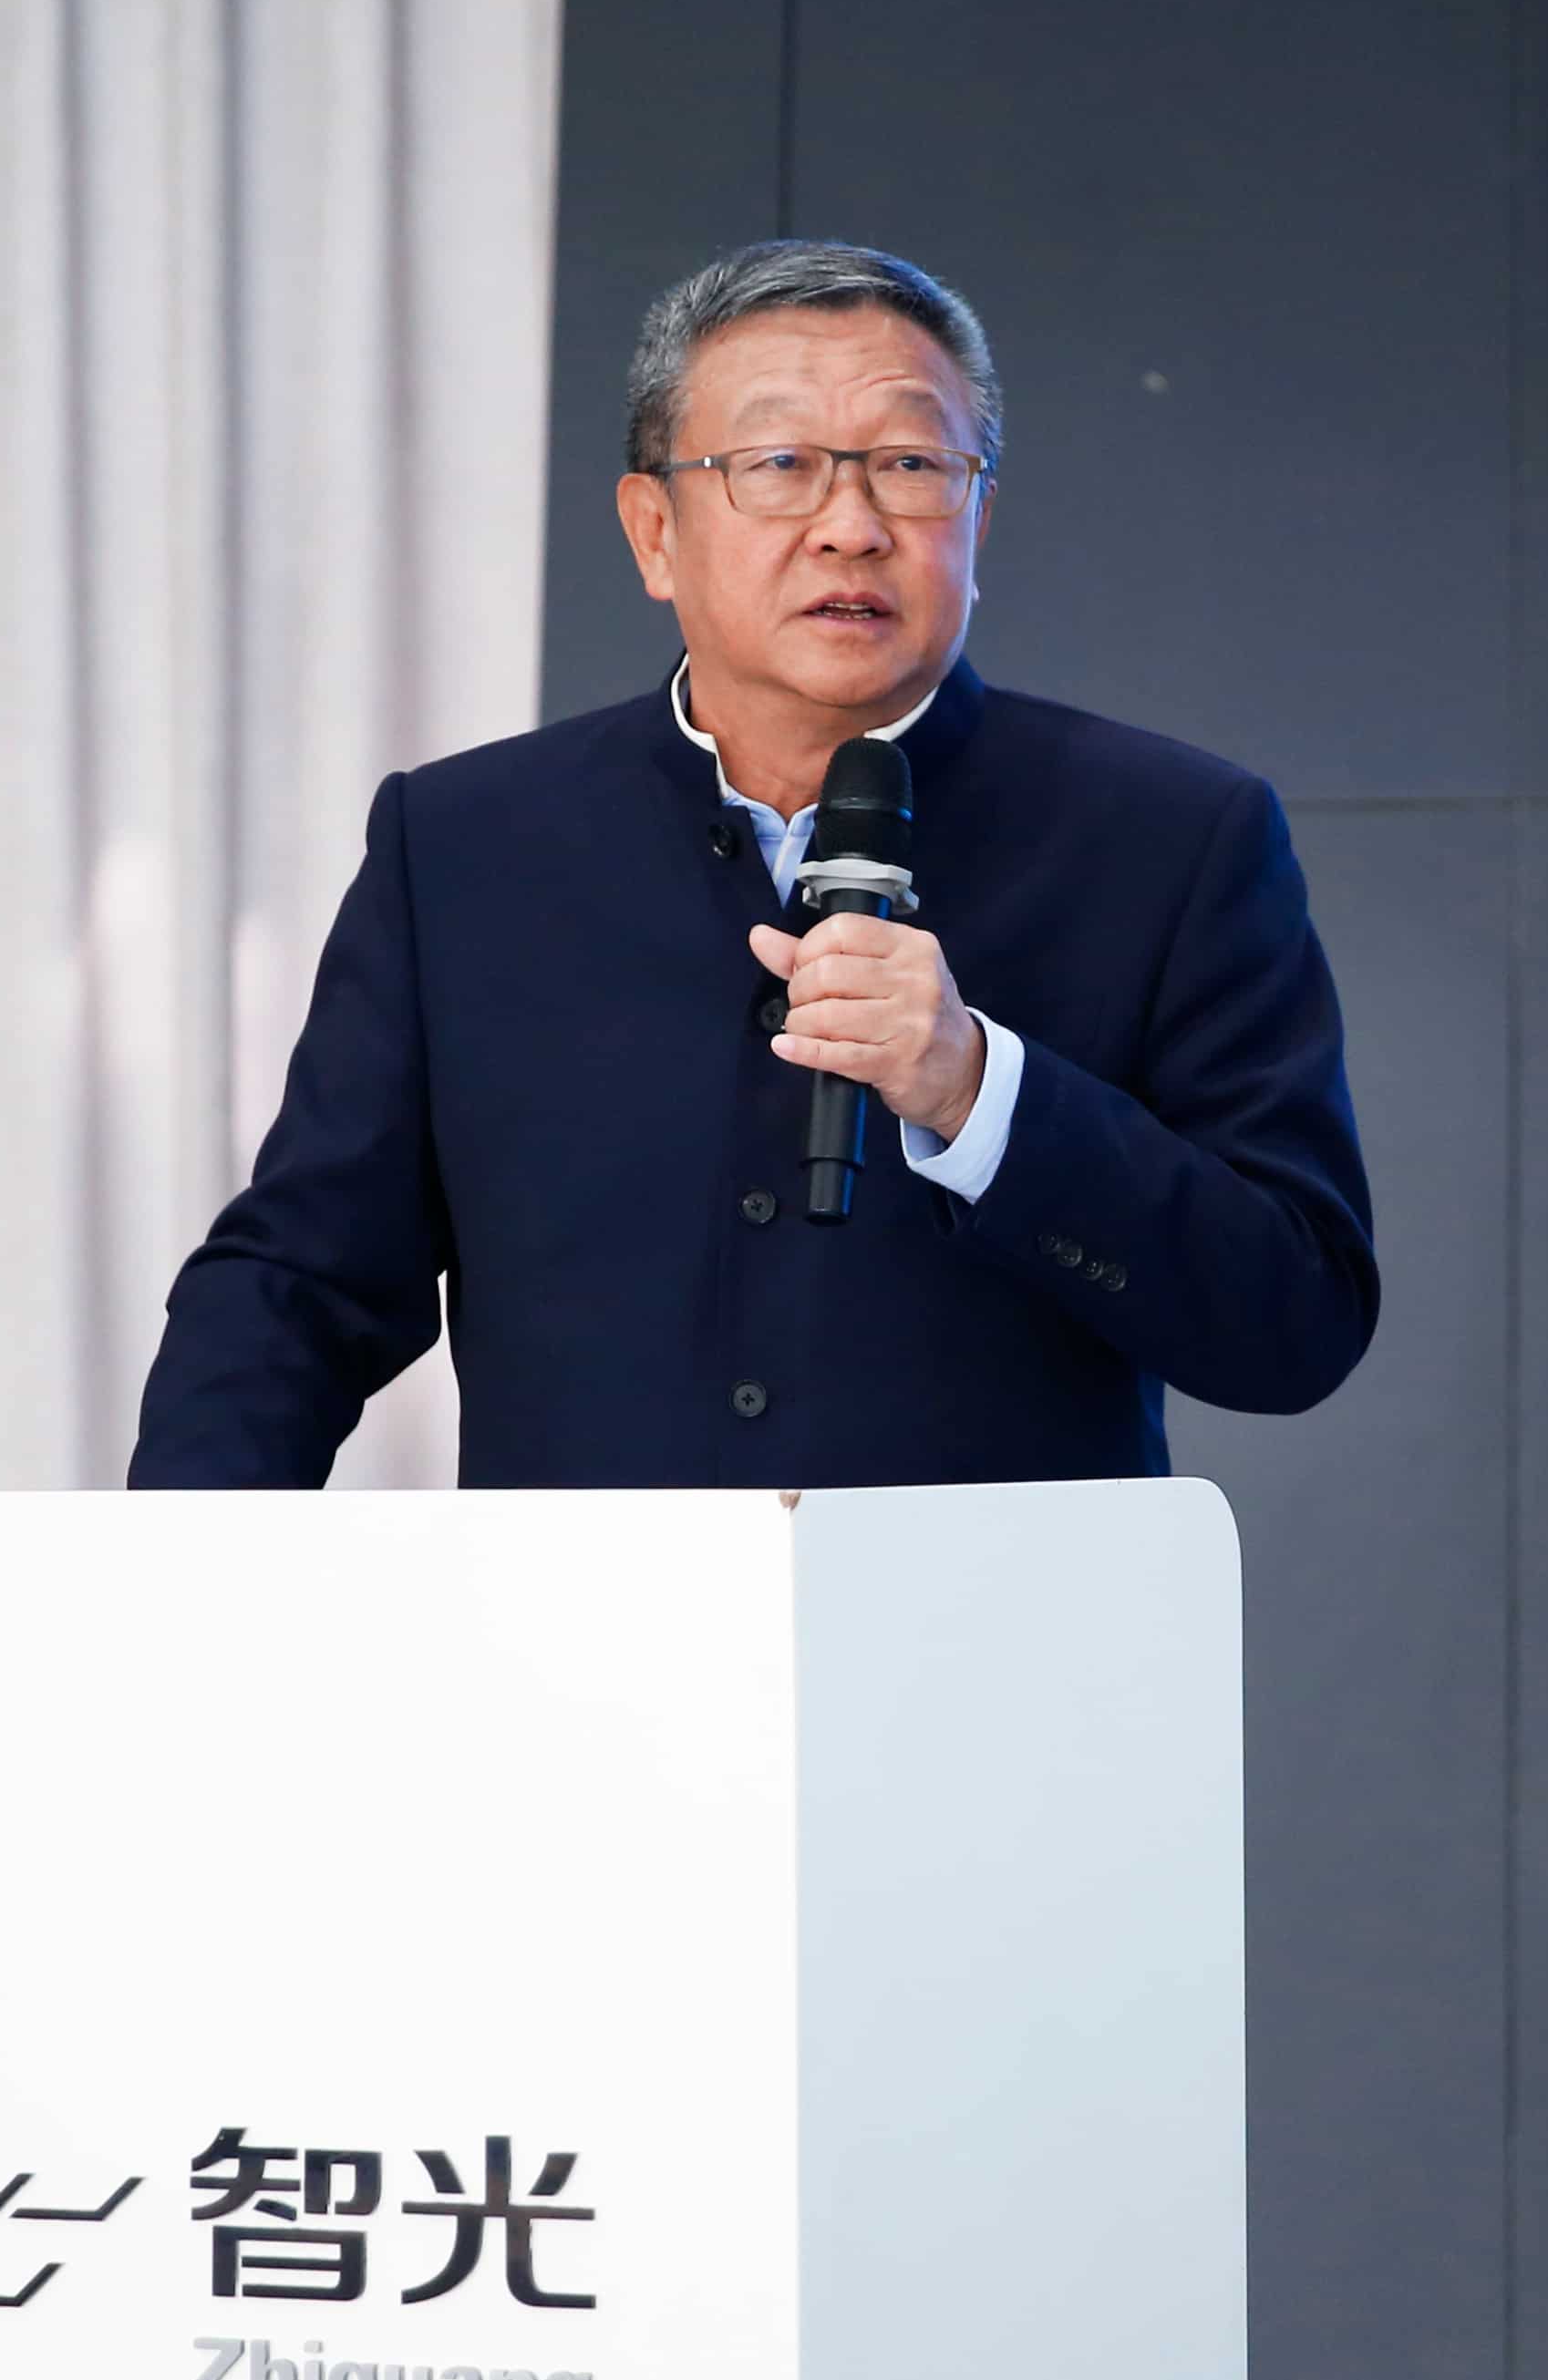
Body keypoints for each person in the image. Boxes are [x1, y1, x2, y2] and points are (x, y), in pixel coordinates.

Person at [127, 238, 1378, 1488]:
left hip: (1000, 1611)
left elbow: (1294, 1319)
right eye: (780, 465)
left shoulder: (1171, 837)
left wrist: (978, 1091)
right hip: (581, 1613)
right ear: (655, 533)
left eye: (910, 466)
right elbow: (300, 1285)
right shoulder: (464, 845)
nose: (851, 529)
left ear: (978, 518)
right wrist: (171, 1573)